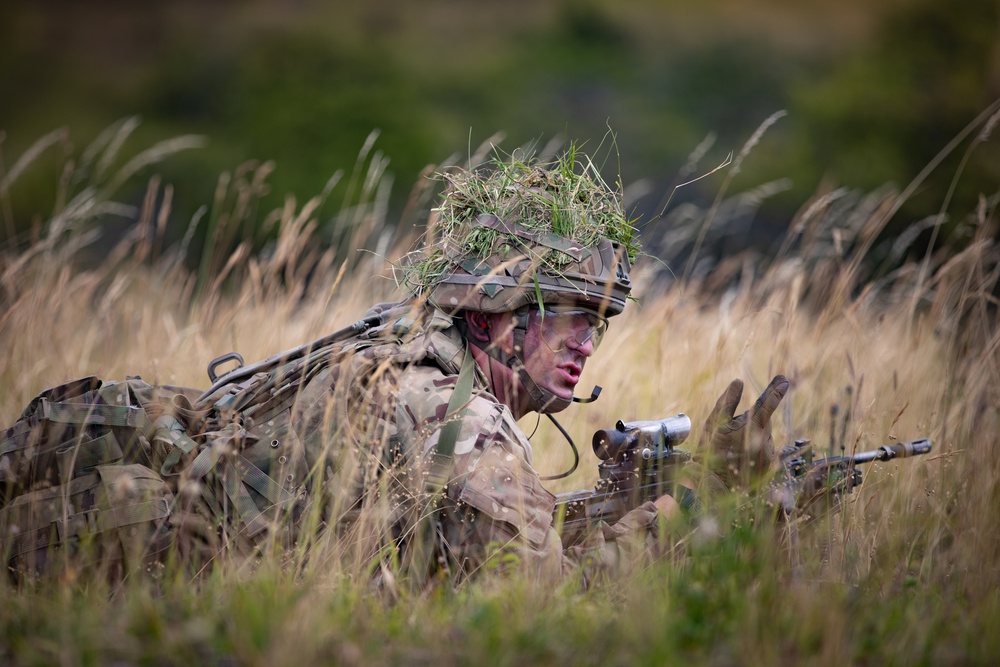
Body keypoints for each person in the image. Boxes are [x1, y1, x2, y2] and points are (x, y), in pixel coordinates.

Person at [279, 151, 789, 585]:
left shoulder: (400, 355)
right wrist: (698, 502)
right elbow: (555, 602)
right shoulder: (465, 425)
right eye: (569, 322)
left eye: (594, 327)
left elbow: (473, 555)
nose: (586, 347)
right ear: (487, 319)